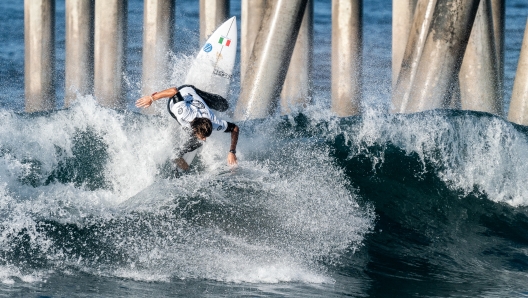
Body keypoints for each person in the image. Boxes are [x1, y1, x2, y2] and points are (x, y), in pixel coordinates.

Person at [135, 85, 239, 171]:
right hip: (179, 96)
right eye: (203, 136)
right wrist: (152, 98)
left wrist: (232, 152)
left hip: (192, 96)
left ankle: (205, 100)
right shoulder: (183, 112)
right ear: (194, 129)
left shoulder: (214, 122)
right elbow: (173, 91)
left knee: (224, 106)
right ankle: (177, 156)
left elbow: (235, 128)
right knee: (196, 142)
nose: (205, 139)